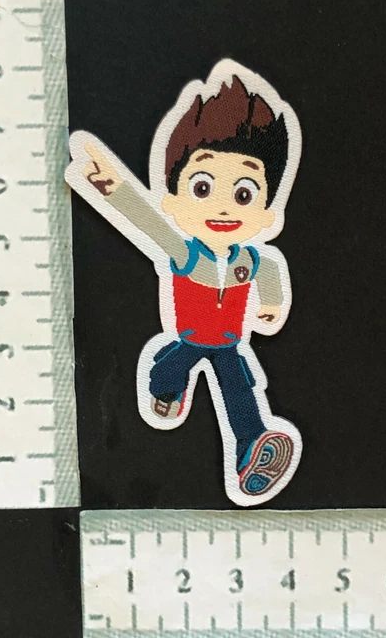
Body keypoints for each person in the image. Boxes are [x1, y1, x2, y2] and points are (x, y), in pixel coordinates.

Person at [66, 60, 302, 505]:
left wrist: (270, 304)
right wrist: (111, 185)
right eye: (203, 188)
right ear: (174, 201)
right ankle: (164, 390)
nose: (225, 208)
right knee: (168, 371)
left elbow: (269, 271)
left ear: (267, 212)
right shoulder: (185, 253)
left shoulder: (249, 259)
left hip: (230, 344)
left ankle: (252, 451)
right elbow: (147, 222)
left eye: (244, 194)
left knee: (240, 395)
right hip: (190, 339)